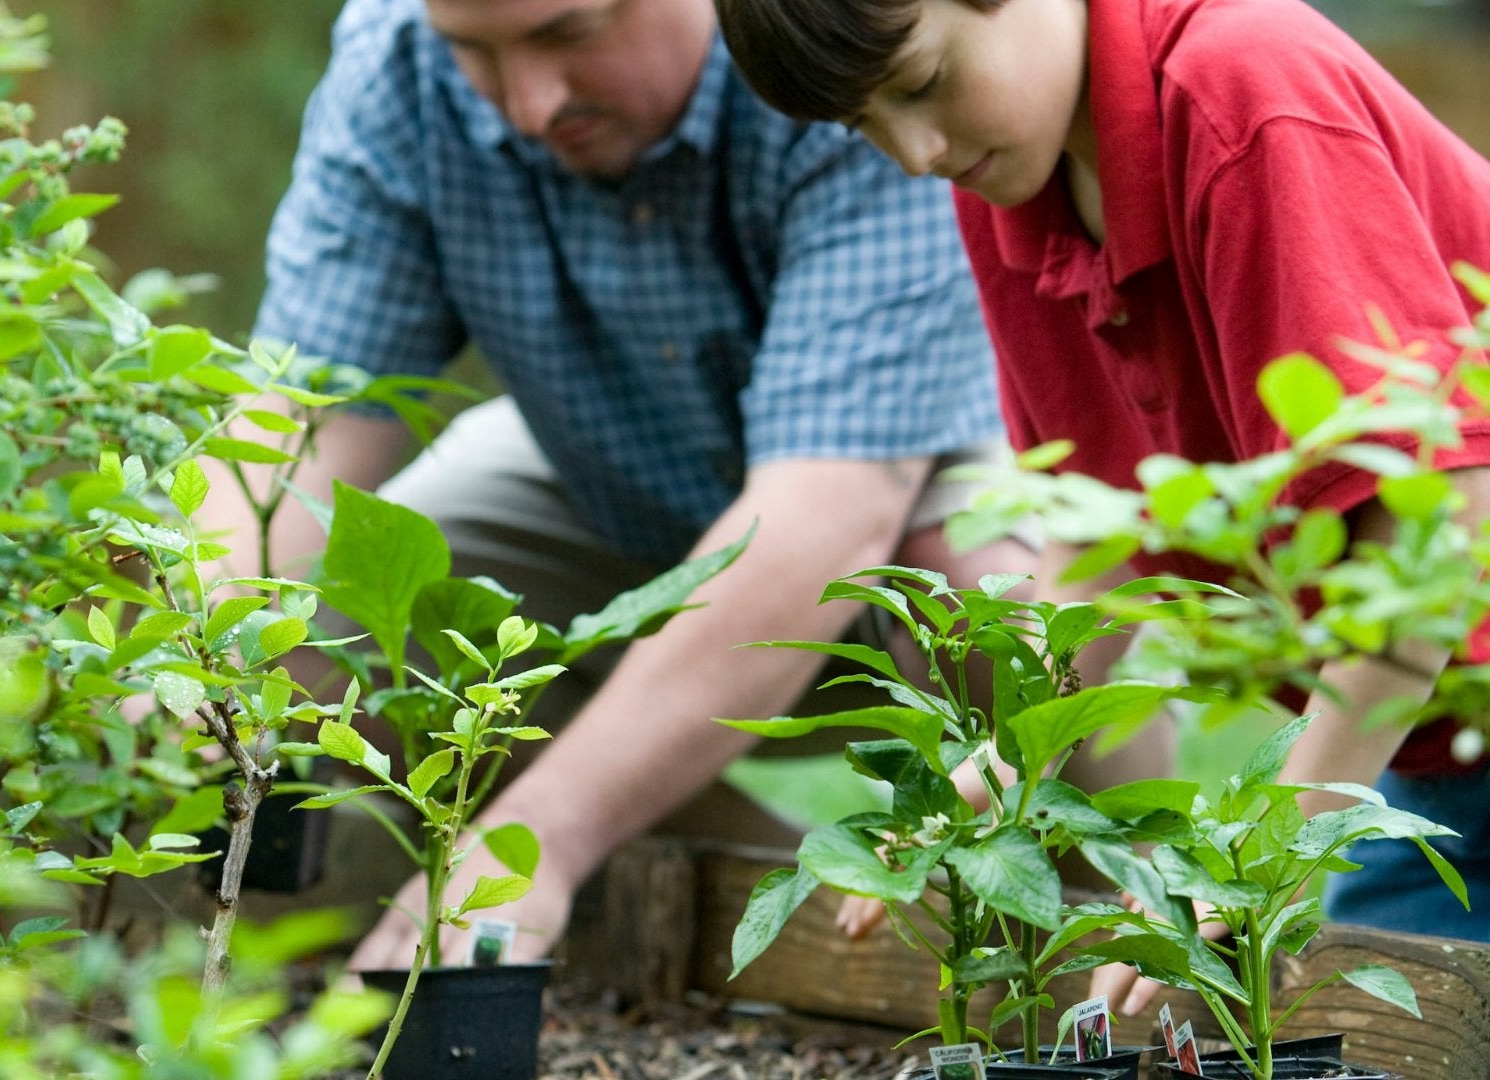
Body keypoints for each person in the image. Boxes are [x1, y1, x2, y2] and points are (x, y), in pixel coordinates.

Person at [207, 0, 1065, 971]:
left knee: (996, 604)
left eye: (567, 35)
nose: (527, 106)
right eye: (476, 54)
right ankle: (742, 896)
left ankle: (1119, 921)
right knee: (327, 617)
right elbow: (294, 424)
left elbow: (822, 520)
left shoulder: (837, 43)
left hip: (905, 477)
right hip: (602, 473)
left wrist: (542, 838)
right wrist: (191, 658)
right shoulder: (398, 61)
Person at [713, 0, 1490, 1008]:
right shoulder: (1011, 186)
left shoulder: (1242, 93)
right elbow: (1112, 545)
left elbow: (1444, 509)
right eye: (866, 125)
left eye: (920, 84)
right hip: (1434, 758)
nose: (916, 153)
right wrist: (1005, 775)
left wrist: (1258, 849)